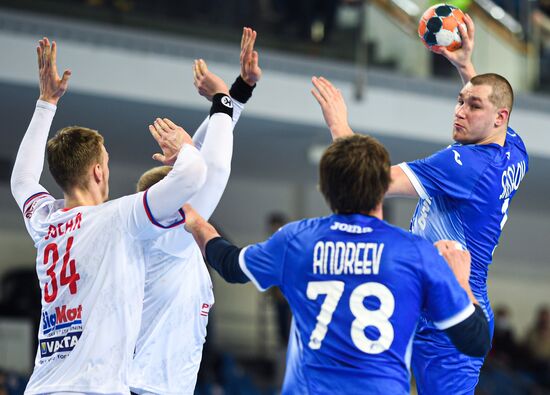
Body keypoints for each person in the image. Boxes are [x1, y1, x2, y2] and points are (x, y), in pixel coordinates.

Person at [310, 14, 529, 394]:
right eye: (460, 101)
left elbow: (367, 181)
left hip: (450, 313)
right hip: (429, 301)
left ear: (499, 117)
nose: (460, 111)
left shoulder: (463, 166)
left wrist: (338, 126)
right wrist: (466, 68)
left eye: (472, 106)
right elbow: (493, 106)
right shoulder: (514, 148)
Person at [181, 134, 490, 394]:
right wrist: (461, 281)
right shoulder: (416, 253)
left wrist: (196, 221)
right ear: (384, 187)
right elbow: (474, 340)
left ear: (325, 189)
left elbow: (230, 265)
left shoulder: (297, 241)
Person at [10, 38, 233, 394]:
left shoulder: (44, 221)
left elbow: (22, 180)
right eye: (108, 163)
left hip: (43, 386)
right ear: (98, 172)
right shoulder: (118, 219)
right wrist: (184, 147)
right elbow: (198, 176)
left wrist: (46, 103)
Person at [128, 27, 261, 395]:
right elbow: (213, 168)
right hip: (144, 388)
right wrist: (220, 97)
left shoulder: (166, 233)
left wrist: (239, 91)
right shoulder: (164, 236)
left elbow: (205, 152)